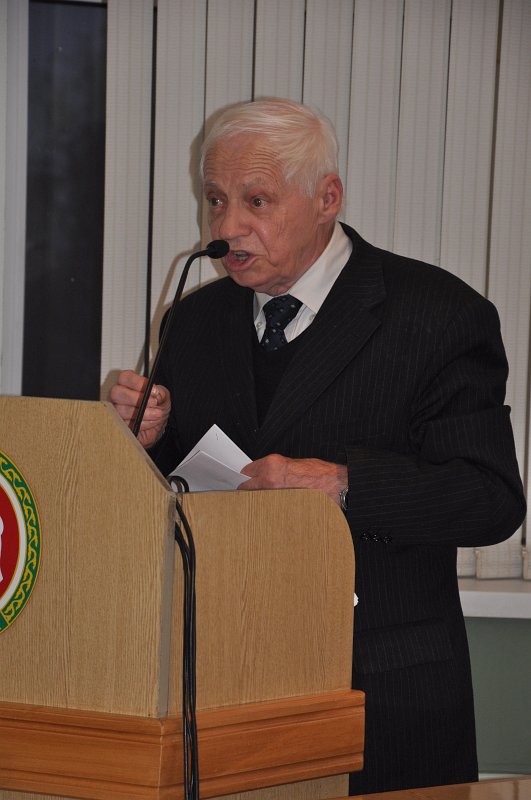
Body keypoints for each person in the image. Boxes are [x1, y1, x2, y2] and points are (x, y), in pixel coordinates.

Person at [110, 98, 526, 795]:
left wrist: (342, 483)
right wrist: (144, 444)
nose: (226, 228)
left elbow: (489, 500)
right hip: (226, 690)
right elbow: (175, 500)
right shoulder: (194, 320)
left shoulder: (438, 313)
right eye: (215, 200)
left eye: (256, 201)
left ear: (327, 199)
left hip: (382, 692)